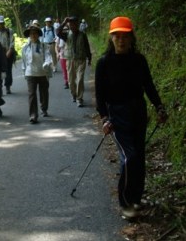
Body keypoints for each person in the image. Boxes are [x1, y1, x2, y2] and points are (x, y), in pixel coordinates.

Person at [95, 16, 168, 219]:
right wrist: (105, 118)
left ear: (131, 37)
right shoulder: (104, 63)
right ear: (111, 38)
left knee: (139, 158)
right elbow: (100, 95)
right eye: (117, 35)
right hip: (117, 116)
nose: (121, 39)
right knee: (129, 157)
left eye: (125, 35)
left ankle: (136, 199)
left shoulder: (139, 60)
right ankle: (126, 203)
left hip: (138, 112)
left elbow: (149, 86)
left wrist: (159, 107)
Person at [57, 16, 92, 107]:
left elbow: (87, 46)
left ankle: (79, 98)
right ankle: (74, 95)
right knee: (71, 81)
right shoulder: (66, 34)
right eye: (71, 23)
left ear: (77, 24)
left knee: (80, 79)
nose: (73, 25)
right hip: (70, 59)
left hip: (81, 60)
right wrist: (64, 22)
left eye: (74, 23)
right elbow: (57, 32)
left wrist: (89, 58)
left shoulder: (82, 34)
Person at [21, 25, 53, 124]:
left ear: (38, 35)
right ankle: (33, 115)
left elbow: (48, 57)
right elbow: (24, 61)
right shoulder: (25, 48)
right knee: (32, 94)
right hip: (30, 73)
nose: (33, 35)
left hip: (42, 73)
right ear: (29, 35)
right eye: (31, 34)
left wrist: (47, 63)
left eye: (35, 33)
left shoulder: (44, 46)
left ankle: (44, 108)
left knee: (44, 93)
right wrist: (24, 72)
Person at [0, 15, 16, 94]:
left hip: (8, 53)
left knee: (8, 71)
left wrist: (10, 50)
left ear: (3, 23)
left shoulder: (9, 31)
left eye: (0, 23)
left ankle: (7, 87)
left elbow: (12, 42)